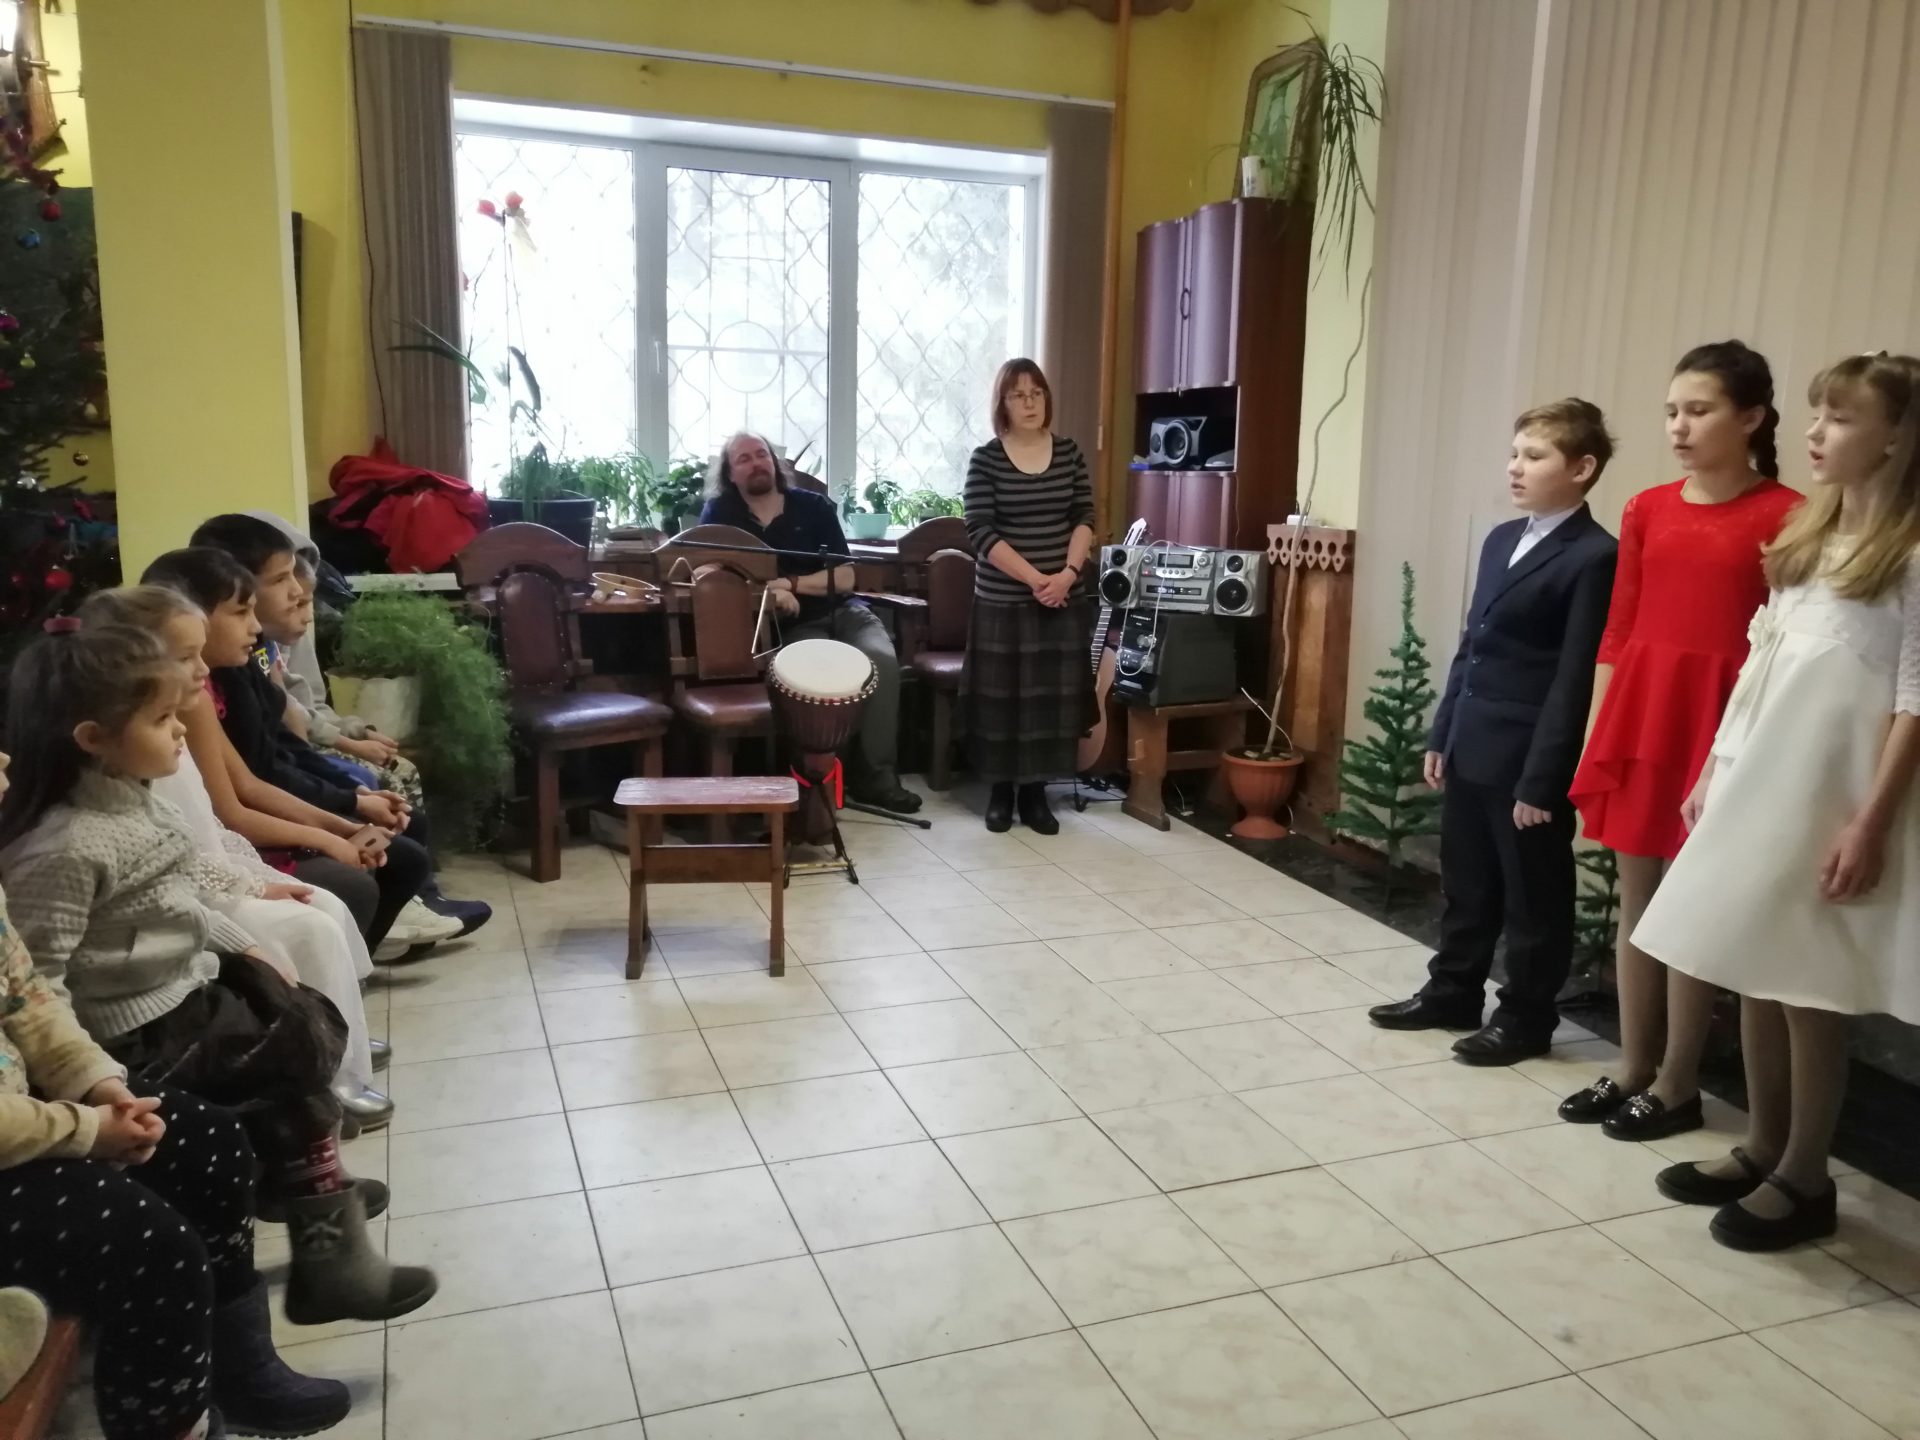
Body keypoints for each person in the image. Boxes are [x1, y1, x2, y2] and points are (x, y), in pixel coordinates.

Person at [0, 624, 436, 1325]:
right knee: (290, 1049)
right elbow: (40, 979)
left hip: (179, 991)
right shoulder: (63, 849)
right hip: (135, 1033)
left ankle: (313, 1203)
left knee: (297, 1016)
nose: (181, 730)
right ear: (93, 738)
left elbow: (181, 899)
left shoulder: (135, 799)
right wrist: (93, 1077)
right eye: (161, 718)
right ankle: (320, 1222)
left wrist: (244, 946)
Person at [1634, 352, 1920, 1250]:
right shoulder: (1808, 540)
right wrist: (1714, 770)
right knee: (1756, 967)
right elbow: (1761, 666)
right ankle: (1762, 1144)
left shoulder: (1910, 558)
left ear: (1896, 438)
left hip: (1832, 799)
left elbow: (1914, 702)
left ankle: (1805, 1175)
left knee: (1808, 987)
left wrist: (1870, 822)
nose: (1816, 433)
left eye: (1840, 418)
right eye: (1816, 414)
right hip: (1764, 780)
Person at [0, 837, 352, 1438]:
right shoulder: (64, 847)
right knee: (152, 1249)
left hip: (40, 1098)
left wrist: (96, 1083)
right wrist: (87, 1130)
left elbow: (27, 996)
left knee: (214, 1143)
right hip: (41, 1116)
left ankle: (242, 1372)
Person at [1561, 341, 1801, 1139]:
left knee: (1693, 906)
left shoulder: (1788, 515)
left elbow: (1787, 641)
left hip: (1726, 720)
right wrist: (1599, 728)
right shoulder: (1647, 507)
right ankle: (1635, 1065)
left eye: (1699, 410)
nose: (1679, 426)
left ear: (1751, 418)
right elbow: (1620, 626)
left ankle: (1678, 1082)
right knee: (1638, 899)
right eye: (1671, 411)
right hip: (1646, 711)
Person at [78, 583, 394, 1132]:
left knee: (324, 905)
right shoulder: (131, 753)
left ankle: (338, 1049)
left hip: (213, 877)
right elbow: (177, 859)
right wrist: (249, 886)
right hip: (190, 903)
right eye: (185, 658)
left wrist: (258, 873)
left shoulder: (174, 724)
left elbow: (209, 826)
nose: (200, 670)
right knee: (309, 925)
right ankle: (327, 1081)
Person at [1368, 400, 1618, 1063]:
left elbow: (1573, 678)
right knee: (1468, 883)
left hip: (1527, 756)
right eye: (1515, 453)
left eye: (1534, 456)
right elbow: (1470, 646)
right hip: (1473, 740)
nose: (1515, 467)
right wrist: (1441, 733)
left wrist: (1544, 778)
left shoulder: (1595, 555)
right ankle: (1453, 990)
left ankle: (1527, 1018)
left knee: (1533, 897)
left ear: (1581, 468)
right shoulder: (1502, 539)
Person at [189, 514, 490, 937]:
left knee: (397, 821)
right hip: (245, 834)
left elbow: (288, 739)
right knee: (382, 859)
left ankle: (414, 904)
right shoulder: (202, 686)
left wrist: (352, 804)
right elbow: (249, 790)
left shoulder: (250, 657)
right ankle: (391, 923)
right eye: (280, 580)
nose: (297, 595)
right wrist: (344, 817)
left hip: (280, 793)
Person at [141, 547, 441, 960]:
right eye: (241, 612)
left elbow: (252, 780)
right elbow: (231, 811)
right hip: (216, 853)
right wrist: (333, 836)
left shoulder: (221, 678)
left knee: (392, 852)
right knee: (355, 884)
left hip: (233, 834)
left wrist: (342, 827)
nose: (254, 625)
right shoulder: (190, 695)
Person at [699, 432, 921, 814]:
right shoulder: (720, 513)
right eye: (743, 459)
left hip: (846, 612)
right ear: (730, 474)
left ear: (774, 462)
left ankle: (877, 779)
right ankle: (815, 784)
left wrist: (790, 583)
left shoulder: (813, 506)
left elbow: (846, 576)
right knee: (815, 676)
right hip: (792, 626)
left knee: (882, 661)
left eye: (761, 454)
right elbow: (704, 571)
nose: (756, 462)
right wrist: (767, 593)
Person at [961, 358, 1096, 835]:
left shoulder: (1070, 453)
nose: (1029, 402)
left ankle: (1036, 795)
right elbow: (979, 530)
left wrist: (1068, 574)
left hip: (1063, 597)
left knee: (1050, 702)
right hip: (1004, 601)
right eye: (1018, 395)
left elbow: (1084, 517)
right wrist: (1036, 579)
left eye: (1036, 392)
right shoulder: (986, 459)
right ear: (1003, 403)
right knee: (1003, 703)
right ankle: (1001, 793)